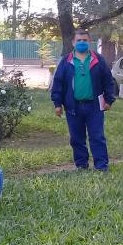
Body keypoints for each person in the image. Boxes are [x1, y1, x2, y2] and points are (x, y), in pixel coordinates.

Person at [51, 29, 116, 172]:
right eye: (79, 40)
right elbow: (58, 83)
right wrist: (57, 104)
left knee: (97, 137)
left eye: (84, 40)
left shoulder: (98, 60)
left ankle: (101, 166)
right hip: (73, 107)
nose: (81, 43)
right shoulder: (66, 62)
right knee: (76, 138)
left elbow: (109, 81)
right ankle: (81, 165)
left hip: (94, 107)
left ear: (89, 42)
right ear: (73, 42)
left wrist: (109, 100)